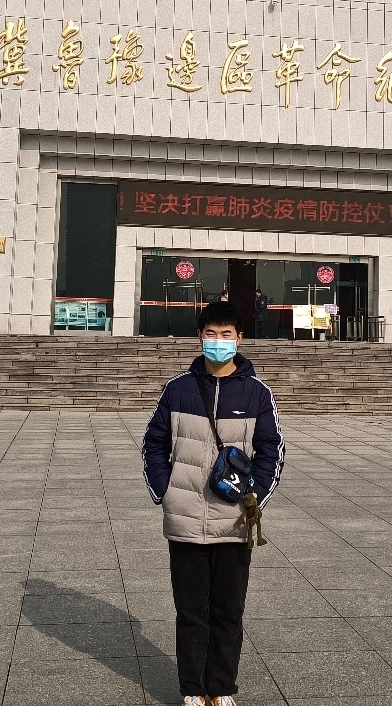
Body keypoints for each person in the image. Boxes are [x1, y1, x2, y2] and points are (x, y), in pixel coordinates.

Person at [142, 301, 285, 706]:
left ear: (239, 339)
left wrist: (253, 498)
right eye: (211, 333)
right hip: (185, 517)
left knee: (228, 611)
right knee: (190, 613)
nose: (218, 341)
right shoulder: (178, 389)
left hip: (234, 522)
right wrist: (165, 491)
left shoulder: (257, 393)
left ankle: (221, 688)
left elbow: (271, 451)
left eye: (226, 334)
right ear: (199, 336)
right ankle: (192, 689)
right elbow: (153, 443)